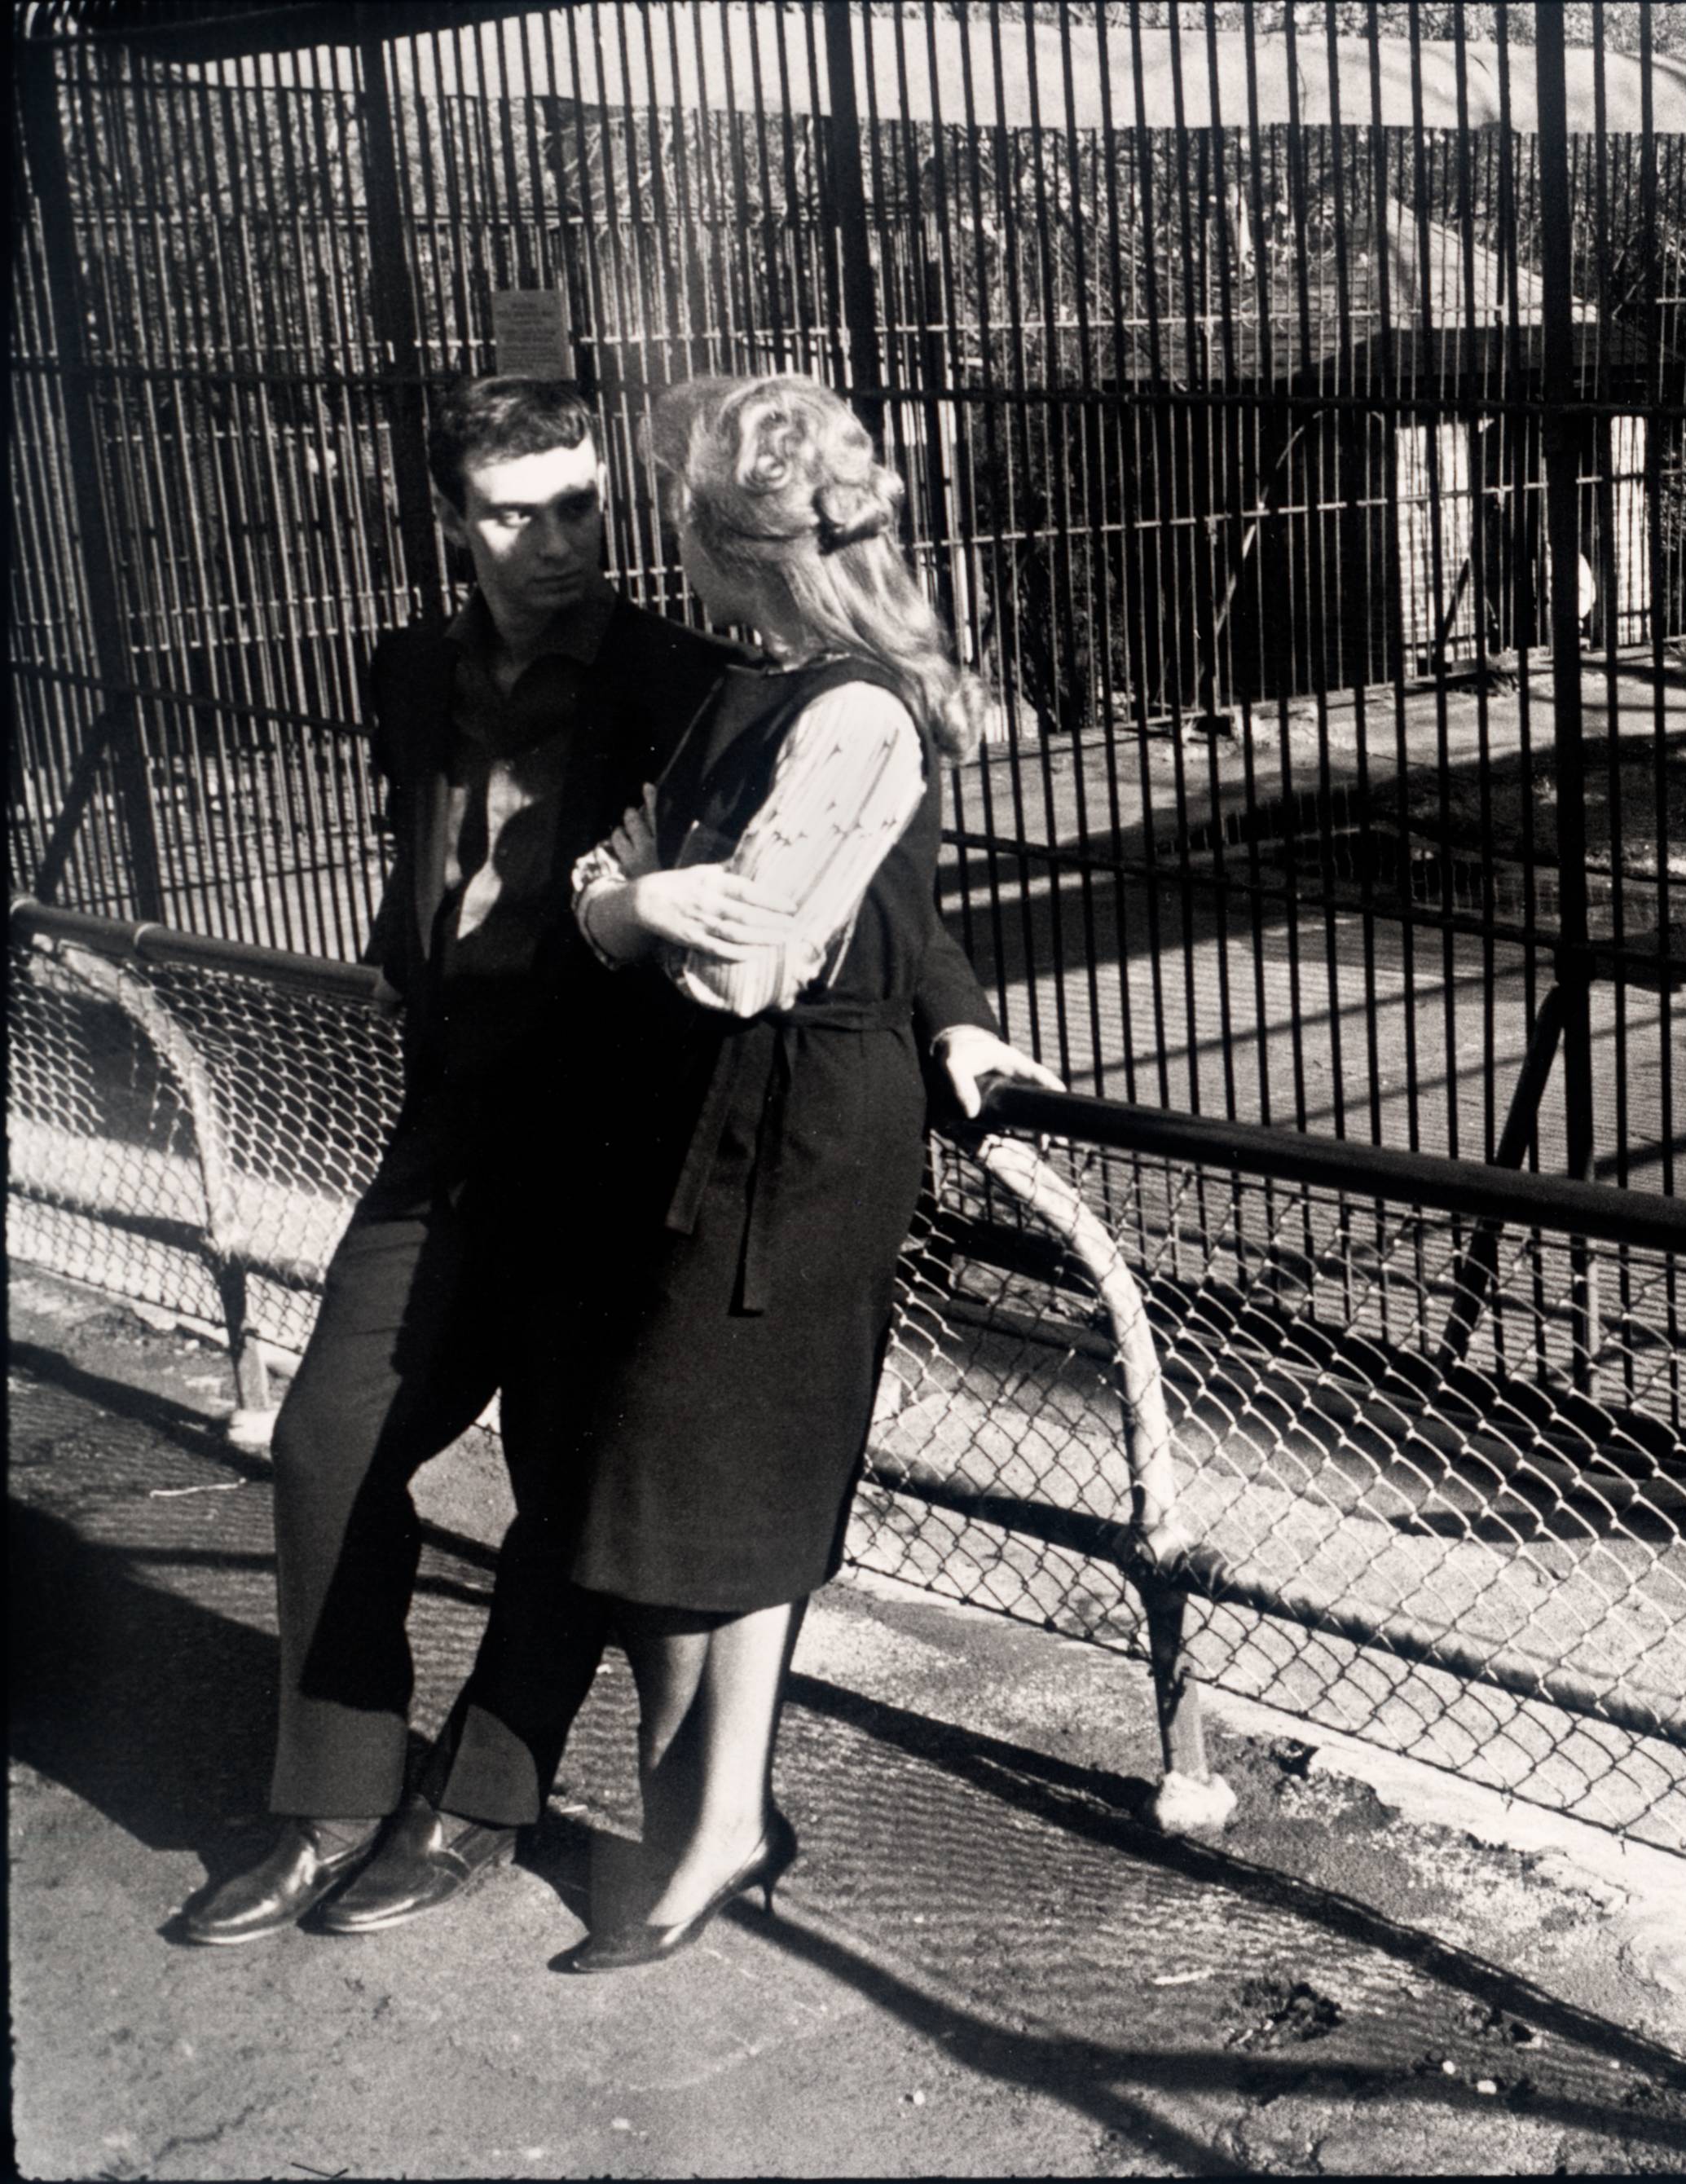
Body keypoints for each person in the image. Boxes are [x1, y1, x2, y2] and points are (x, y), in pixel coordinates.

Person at [175, 377, 1050, 1948]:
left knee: (574, 1481)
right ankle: (330, 1798)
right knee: (330, 1438)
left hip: (622, 1126)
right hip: (452, 1121)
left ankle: (474, 1805)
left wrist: (954, 1019)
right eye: (515, 512)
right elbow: (450, 871)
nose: (557, 540)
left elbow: (875, 861)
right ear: (453, 523)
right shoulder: (408, 673)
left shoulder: (685, 671)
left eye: (581, 503)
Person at [545, 372, 1022, 1970]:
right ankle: (716, 1815)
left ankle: (713, 1820)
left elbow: (734, 960)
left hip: (795, 1136)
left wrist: (621, 905)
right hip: (725, 1115)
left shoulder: (852, 708)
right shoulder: (745, 679)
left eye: (673, 501)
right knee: (698, 1492)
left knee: (704, 1487)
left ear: (721, 531)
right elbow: (885, 906)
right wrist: (957, 1013)